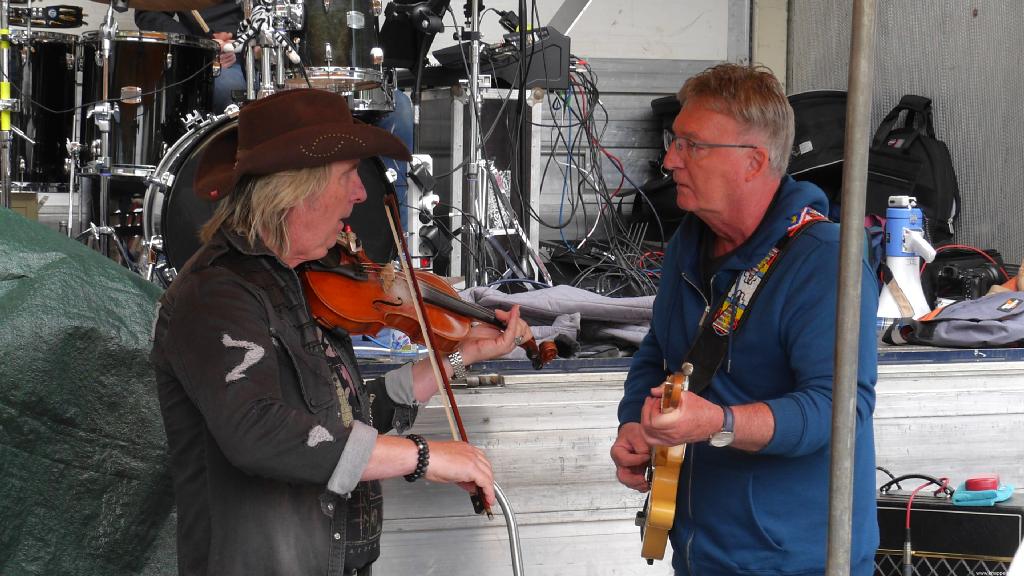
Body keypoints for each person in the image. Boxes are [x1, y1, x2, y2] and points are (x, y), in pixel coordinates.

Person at [150, 88, 533, 576]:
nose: (362, 193)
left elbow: (345, 412)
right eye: (348, 174)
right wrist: (420, 456)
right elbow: (261, 433)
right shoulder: (215, 296)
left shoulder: (299, 280)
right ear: (296, 189)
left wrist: (462, 358)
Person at [610, 64, 880, 575]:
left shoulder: (825, 261)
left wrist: (716, 423)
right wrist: (634, 422)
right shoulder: (688, 242)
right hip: (700, 552)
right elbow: (660, 351)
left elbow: (836, 410)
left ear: (754, 162)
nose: (670, 160)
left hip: (795, 562)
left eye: (691, 145)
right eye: (674, 141)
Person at [135, 1, 246, 112]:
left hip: (249, 48)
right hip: (201, 54)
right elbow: (148, 13)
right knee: (227, 90)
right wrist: (196, 42)